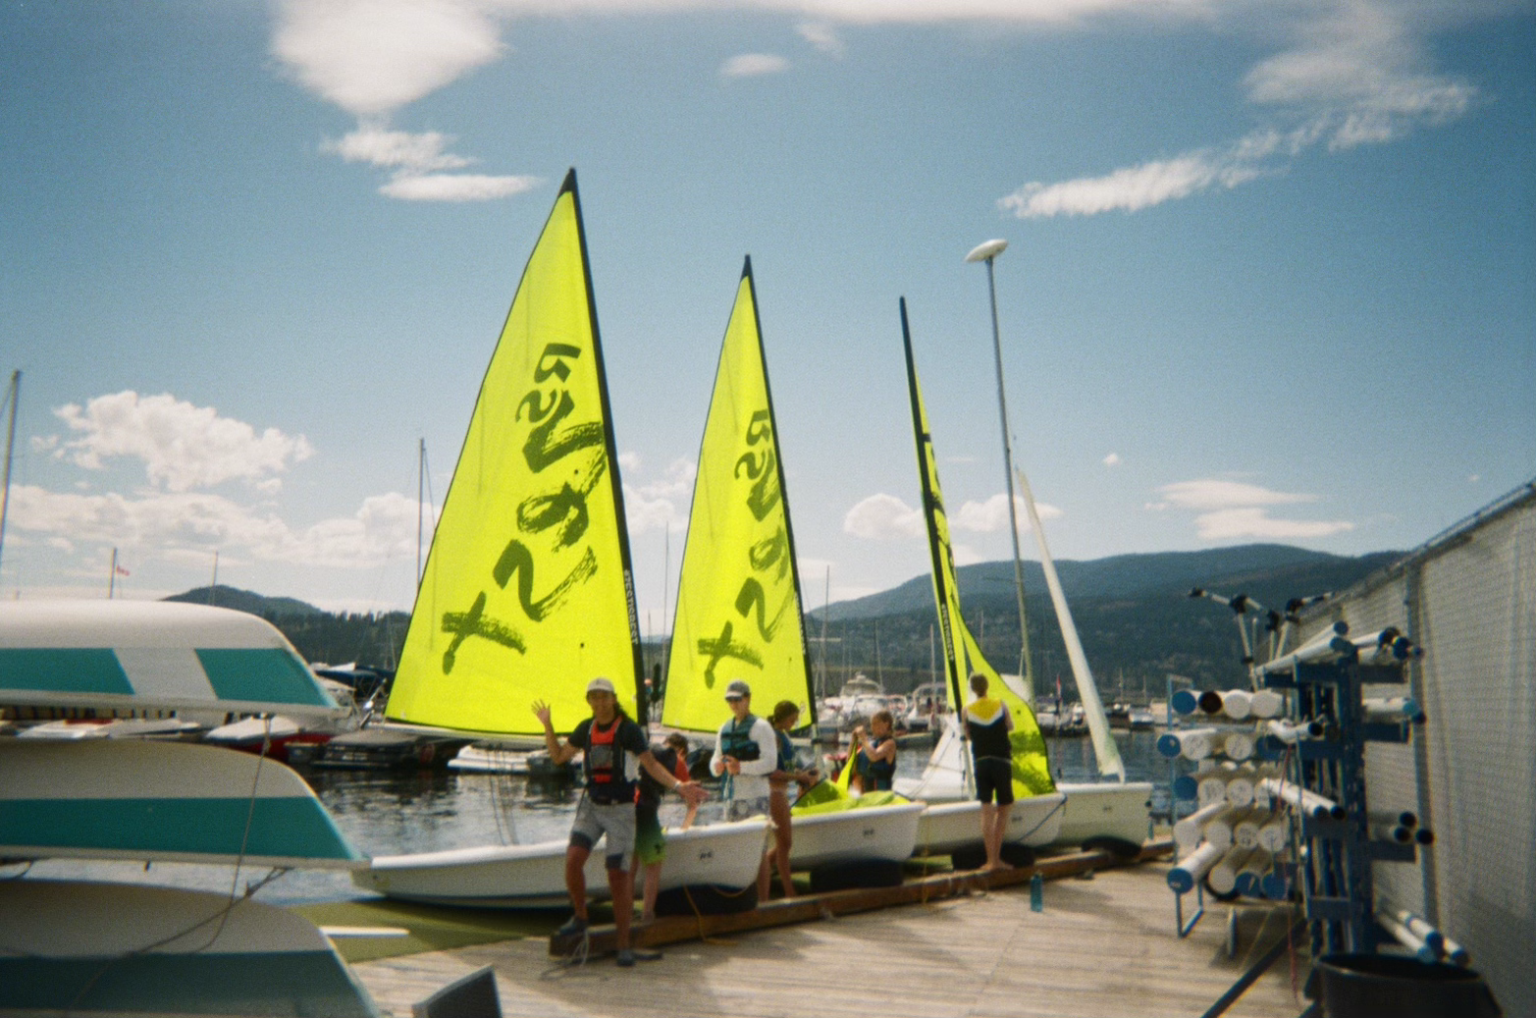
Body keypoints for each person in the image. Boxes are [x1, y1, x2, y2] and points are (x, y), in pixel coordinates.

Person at [534, 677, 706, 967]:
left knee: (618, 875)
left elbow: (650, 764)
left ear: (613, 699)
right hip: (592, 806)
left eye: (605, 697)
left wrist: (679, 786)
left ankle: (624, 944)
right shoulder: (585, 729)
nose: (600, 703)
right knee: (573, 859)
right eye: (594, 697)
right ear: (589, 701)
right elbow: (559, 756)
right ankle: (580, 917)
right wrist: (547, 725)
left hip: (622, 810)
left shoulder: (628, 731)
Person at [630, 733, 696, 924]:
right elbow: (692, 803)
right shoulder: (677, 761)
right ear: (682, 751)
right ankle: (647, 914)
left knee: (631, 863)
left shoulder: (648, 752)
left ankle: (625, 912)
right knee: (654, 863)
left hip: (623, 809)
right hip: (644, 811)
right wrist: (685, 828)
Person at [761, 700, 818, 900]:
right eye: (793, 719)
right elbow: (772, 772)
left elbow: (786, 768)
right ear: (784, 717)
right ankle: (788, 890)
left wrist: (803, 774)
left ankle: (761, 876)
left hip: (782, 792)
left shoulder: (784, 736)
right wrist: (799, 778)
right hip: (773, 792)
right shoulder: (774, 738)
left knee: (784, 843)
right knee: (784, 843)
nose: (794, 722)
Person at [962, 672, 1015, 871]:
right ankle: (996, 859)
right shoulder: (1000, 705)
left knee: (986, 809)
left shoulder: (966, 710)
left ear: (972, 688)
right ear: (987, 686)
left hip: (981, 762)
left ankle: (989, 860)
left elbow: (968, 735)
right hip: (1001, 761)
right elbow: (1009, 726)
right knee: (1003, 809)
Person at [710, 679, 776, 821]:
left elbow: (771, 763)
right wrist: (717, 767)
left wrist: (740, 767)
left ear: (748, 698)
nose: (733, 705)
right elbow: (715, 758)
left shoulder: (762, 727)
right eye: (730, 700)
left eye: (737, 699)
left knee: (757, 843)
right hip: (730, 800)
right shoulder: (723, 729)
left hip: (756, 798)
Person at [850, 709, 898, 793]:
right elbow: (850, 761)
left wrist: (864, 739)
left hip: (881, 793)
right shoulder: (871, 744)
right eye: (871, 724)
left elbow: (874, 756)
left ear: (886, 724)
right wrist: (853, 741)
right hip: (865, 793)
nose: (872, 727)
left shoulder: (890, 743)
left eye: (875, 724)